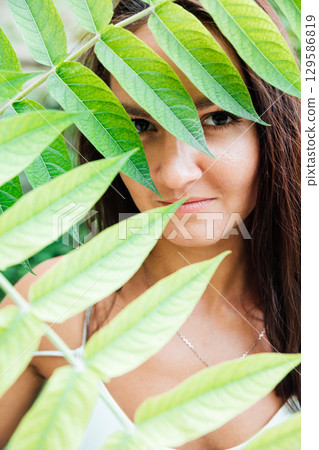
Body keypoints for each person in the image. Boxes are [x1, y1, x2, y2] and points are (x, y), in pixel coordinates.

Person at [0, 0, 300, 448]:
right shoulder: (51, 308)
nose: (173, 175)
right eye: (139, 125)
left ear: (274, 129)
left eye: (216, 118)